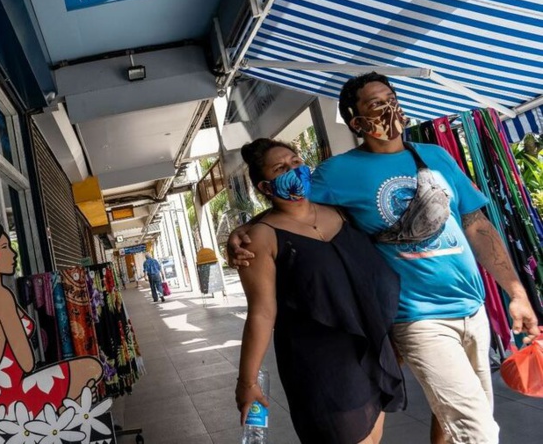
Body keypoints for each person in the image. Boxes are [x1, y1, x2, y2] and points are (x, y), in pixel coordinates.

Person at [229, 73, 540, 444]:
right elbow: (293, 208)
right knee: (479, 432)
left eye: (392, 98)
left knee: (460, 416)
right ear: (357, 122)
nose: (390, 109)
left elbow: (476, 224)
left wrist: (516, 293)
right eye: (377, 104)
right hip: (417, 317)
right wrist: (245, 230)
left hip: (472, 309)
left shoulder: (436, 156)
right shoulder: (339, 172)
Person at [235, 139, 405, 444]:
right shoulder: (262, 237)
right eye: (281, 168)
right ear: (265, 187)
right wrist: (246, 381)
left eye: (296, 161)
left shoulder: (341, 212)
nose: (294, 170)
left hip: (367, 345)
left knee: (373, 437)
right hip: (318, 361)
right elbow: (261, 312)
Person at [0, 218, 102, 418]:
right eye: (5, 247)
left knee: (77, 388)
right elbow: (26, 363)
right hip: (16, 399)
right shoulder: (0, 298)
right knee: (90, 368)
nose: (13, 253)